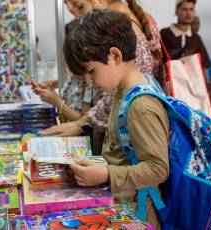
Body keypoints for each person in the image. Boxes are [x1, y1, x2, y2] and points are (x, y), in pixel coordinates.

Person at [65, 9, 169, 229]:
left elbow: (158, 168)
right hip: (124, 206)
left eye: (91, 72)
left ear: (115, 56)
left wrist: (106, 174)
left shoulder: (141, 105)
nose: (89, 81)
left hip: (139, 213)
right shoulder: (122, 89)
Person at [41, 0, 164, 154]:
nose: (76, 15)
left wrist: (107, 172)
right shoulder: (124, 86)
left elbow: (155, 167)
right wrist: (81, 123)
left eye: (80, 7)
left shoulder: (138, 101)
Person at [160, 0, 211, 69]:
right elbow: (157, 61)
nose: (188, 13)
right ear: (176, 12)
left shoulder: (196, 38)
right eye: (184, 9)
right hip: (169, 78)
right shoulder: (164, 34)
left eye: (191, 9)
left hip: (192, 79)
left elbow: (204, 65)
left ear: (194, 12)